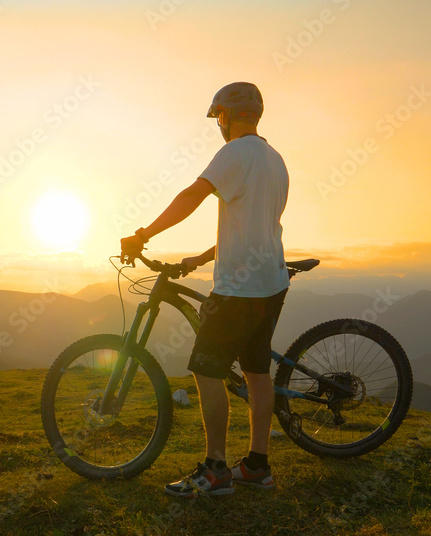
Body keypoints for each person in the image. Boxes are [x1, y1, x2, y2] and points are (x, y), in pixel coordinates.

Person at [120, 81, 290, 498]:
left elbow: (193, 194)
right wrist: (199, 259)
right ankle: (257, 466)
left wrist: (143, 233)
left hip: (238, 289)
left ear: (226, 116)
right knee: (256, 373)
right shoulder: (275, 159)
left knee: (205, 371)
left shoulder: (234, 152)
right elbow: (253, 226)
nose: (219, 124)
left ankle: (215, 470)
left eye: (218, 117)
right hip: (271, 282)